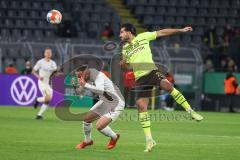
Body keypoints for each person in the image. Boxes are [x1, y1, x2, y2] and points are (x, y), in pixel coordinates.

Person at [119, 23, 204, 152]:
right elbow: (126, 68)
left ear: (129, 32)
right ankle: (149, 140)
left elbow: (162, 32)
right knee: (141, 106)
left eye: (122, 32)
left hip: (152, 71)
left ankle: (191, 112)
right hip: (140, 78)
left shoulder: (143, 37)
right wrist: (123, 64)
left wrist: (180, 29)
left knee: (168, 86)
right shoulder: (125, 48)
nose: (120, 35)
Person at [74, 65, 125, 150]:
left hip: (116, 102)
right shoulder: (86, 78)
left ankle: (114, 137)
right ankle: (88, 141)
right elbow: (80, 96)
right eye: (77, 76)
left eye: (80, 76)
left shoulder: (98, 75)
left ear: (86, 73)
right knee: (86, 119)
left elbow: (100, 91)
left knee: (99, 126)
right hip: (105, 101)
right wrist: (75, 87)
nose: (79, 78)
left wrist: (85, 84)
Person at [32, 48, 57, 120]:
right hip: (42, 83)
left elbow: (55, 72)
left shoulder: (53, 63)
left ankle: (39, 114)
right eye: (47, 53)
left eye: (50, 53)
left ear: (51, 54)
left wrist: (56, 73)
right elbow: (33, 71)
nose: (48, 54)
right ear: (44, 54)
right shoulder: (40, 62)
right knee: (48, 98)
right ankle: (39, 113)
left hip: (49, 83)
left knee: (48, 100)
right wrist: (38, 76)